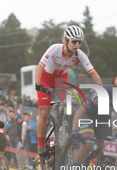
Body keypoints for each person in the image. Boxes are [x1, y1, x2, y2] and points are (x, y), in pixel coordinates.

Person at [35, 25, 103, 156]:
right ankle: (41, 145)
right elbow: (39, 66)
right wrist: (38, 84)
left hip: (61, 80)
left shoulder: (79, 54)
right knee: (44, 113)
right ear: (66, 41)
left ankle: (66, 129)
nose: (77, 45)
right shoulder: (54, 49)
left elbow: (93, 73)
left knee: (72, 105)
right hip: (46, 79)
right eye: (74, 41)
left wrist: (101, 88)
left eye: (79, 42)